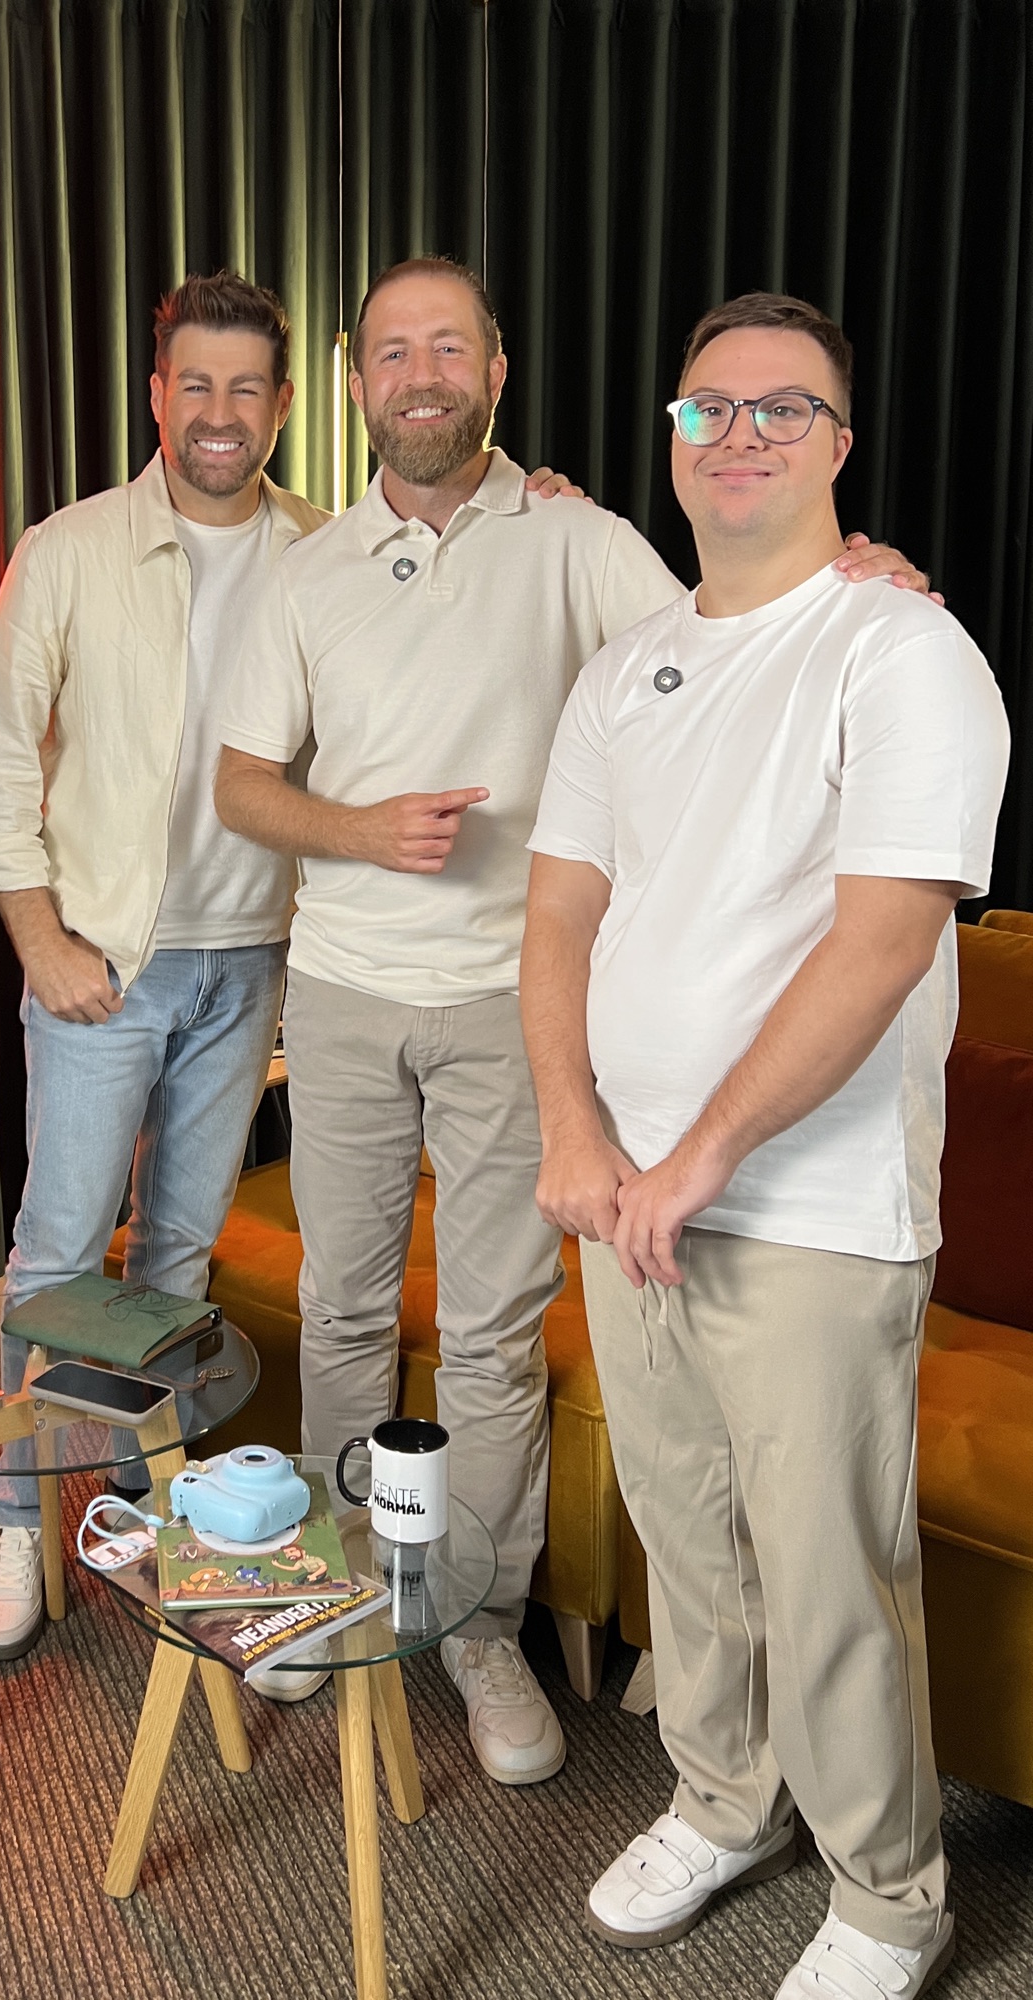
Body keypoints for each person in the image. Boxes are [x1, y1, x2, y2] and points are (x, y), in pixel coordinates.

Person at [214, 257, 937, 1787]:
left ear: (494, 372)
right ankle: (345, 1582)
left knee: (489, 1335)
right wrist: (359, 830)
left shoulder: (581, 538)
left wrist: (856, 571)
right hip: (339, 994)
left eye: (450, 348)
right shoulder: (306, 569)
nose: (421, 373)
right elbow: (243, 787)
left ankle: (474, 1624)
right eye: (393, 351)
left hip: (517, 1007)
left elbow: (730, 636)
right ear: (356, 382)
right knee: (342, 1314)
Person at [0, 269, 577, 1680]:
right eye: (197, 385)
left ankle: (132, 1496)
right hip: (108, 962)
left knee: (178, 1258)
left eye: (248, 387)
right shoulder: (70, 549)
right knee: (61, 1256)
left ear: (290, 404)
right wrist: (41, 941)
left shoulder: (330, 549)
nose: (221, 412)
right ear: (156, 395)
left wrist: (540, 501)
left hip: (259, 968)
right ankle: (19, 1519)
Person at [521, 292, 1008, 1997]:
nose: (739, 434)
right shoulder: (625, 671)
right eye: (708, 407)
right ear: (673, 438)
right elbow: (559, 914)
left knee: (826, 1569)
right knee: (687, 1530)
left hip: (809, 1203)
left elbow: (883, 940)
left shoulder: (902, 651)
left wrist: (705, 1151)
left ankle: (889, 1897)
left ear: (839, 443)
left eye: (781, 407)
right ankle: (726, 1802)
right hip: (626, 1194)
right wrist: (577, 1131)